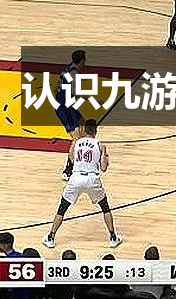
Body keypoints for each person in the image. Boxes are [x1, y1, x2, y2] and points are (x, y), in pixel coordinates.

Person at [43, 119, 123, 249]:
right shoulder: (100, 145)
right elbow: (103, 168)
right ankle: (113, 237)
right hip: (92, 179)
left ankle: (50, 237)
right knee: (105, 207)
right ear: (96, 131)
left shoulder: (77, 142)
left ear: (84, 130)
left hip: (76, 177)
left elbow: (71, 158)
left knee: (62, 208)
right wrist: (105, 156)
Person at [56, 50, 87, 180]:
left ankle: (81, 158)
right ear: (83, 61)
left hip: (67, 105)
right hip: (65, 108)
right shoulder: (74, 74)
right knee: (76, 139)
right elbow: (76, 93)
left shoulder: (68, 68)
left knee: (83, 124)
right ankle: (68, 169)